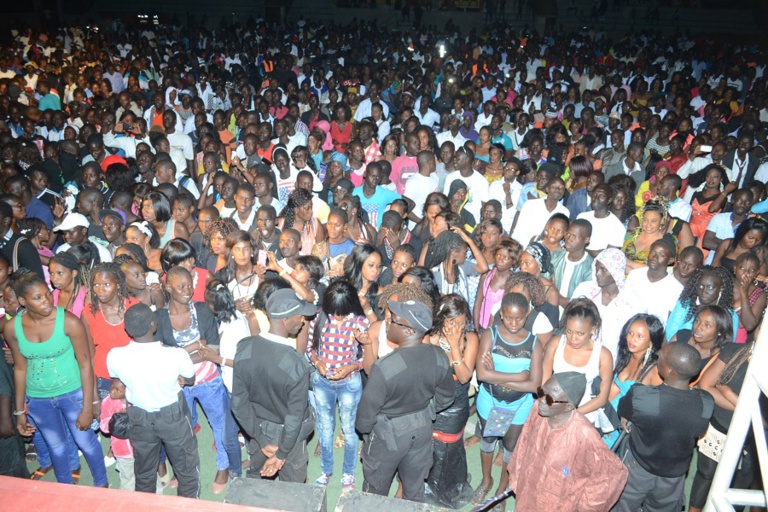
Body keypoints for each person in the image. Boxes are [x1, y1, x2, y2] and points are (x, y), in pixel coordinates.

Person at [4, 270, 108, 487]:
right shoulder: (12, 328)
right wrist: (20, 411)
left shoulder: (68, 321)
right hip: (39, 398)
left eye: (47, 293)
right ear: (23, 301)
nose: (47, 301)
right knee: (57, 447)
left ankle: (102, 485)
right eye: (38, 297)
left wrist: (88, 406)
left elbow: (85, 363)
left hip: (72, 392)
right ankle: (65, 490)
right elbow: (20, 369)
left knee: (85, 441)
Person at [356, 299, 455, 502]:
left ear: (409, 330)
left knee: (375, 489)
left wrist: (366, 434)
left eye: (394, 320)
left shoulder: (385, 367)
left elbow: (366, 414)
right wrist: (427, 409)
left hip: (387, 434)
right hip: (422, 428)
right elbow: (447, 396)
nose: (388, 322)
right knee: (414, 487)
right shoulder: (438, 356)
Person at [155, 266, 239, 493]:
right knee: (183, 427)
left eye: (190, 285)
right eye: (181, 286)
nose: (188, 291)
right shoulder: (160, 317)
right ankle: (184, 471)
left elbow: (212, 347)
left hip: (207, 379)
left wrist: (180, 356)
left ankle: (223, 466)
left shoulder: (202, 310)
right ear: (168, 287)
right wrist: (194, 346)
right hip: (178, 383)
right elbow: (160, 354)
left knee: (219, 422)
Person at [106, 303, 200, 497]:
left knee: (144, 471)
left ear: (127, 329)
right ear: (153, 324)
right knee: (187, 470)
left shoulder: (115, 356)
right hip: (172, 416)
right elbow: (190, 378)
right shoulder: (175, 355)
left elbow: (116, 376)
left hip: (139, 417)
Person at [613, 342, 714, 512]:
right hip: (674, 474)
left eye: (660, 357)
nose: (657, 358)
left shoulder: (642, 396)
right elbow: (699, 430)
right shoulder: (706, 402)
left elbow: (623, 409)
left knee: (623, 505)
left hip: (638, 467)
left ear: (668, 370)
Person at [506, 372, 628, 512]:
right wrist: (517, 476)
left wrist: (584, 506)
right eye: (541, 392)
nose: (541, 400)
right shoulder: (538, 410)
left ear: (569, 406)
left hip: (555, 503)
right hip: (528, 489)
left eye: (550, 399)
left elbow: (613, 473)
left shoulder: (584, 435)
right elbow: (525, 440)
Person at [231, 288, 316, 482]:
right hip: (288, 437)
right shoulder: (296, 364)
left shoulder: (244, 347)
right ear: (285, 320)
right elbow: (294, 419)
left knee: (255, 478)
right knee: (293, 487)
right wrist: (282, 454)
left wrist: (259, 438)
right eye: (300, 316)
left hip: (256, 428)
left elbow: (238, 404)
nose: (303, 321)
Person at [474, 292, 543, 506]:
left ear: (527, 315)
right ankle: (486, 480)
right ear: (501, 314)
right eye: (509, 317)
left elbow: (534, 385)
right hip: (492, 402)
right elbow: (483, 375)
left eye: (520, 318)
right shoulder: (490, 335)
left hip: (519, 405)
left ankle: (501, 490)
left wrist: (497, 377)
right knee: (488, 441)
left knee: (510, 447)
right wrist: (519, 376)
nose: (514, 323)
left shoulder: (534, 343)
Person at [307, 280, 368, 491]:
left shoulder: (360, 322)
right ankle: (326, 470)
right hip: (322, 382)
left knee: (350, 431)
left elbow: (369, 358)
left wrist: (352, 366)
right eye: (334, 311)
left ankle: (348, 474)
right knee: (325, 430)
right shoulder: (320, 317)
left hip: (349, 383)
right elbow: (310, 348)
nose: (338, 317)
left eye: (341, 312)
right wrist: (317, 362)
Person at [422, 294, 478, 509]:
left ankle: (449, 487)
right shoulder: (430, 337)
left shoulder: (469, 339)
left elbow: (464, 377)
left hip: (456, 403)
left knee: (449, 446)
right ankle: (426, 486)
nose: (457, 327)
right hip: (432, 399)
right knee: (428, 444)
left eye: (462, 322)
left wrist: (454, 347)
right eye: (452, 322)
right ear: (441, 319)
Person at [689, 340, 756, 512]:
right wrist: (745, 407)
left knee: (738, 490)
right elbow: (705, 385)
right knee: (705, 475)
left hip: (752, 439)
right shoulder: (736, 351)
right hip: (719, 426)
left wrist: (728, 394)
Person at [543, 298, 614, 432]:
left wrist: (572, 414)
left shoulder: (603, 355)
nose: (573, 338)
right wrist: (552, 408)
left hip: (584, 416)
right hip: (552, 410)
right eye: (569, 331)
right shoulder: (556, 343)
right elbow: (545, 382)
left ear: (593, 328)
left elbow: (602, 398)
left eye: (580, 333)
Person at [604, 314, 664, 448]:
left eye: (639, 336)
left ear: (651, 341)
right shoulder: (626, 356)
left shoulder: (654, 370)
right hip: (605, 421)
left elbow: (660, 410)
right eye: (630, 333)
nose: (632, 339)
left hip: (621, 433)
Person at [666, 266, 738, 342]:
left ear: (721, 288)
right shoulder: (684, 305)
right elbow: (670, 335)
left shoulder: (730, 316)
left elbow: (727, 344)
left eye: (710, 287)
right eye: (701, 286)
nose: (704, 291)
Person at [623, 234, 683, 324]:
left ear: (670, 260)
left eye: (661, 255)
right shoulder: (635, 275)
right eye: (653, 252)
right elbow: (623, 302)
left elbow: (671, 321)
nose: (655, 258)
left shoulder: (676, 288)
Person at [474, 238, 523, 332]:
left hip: (499, 330)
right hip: (481, 326)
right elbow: (478, 303)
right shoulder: (487, 275)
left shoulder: (514, 282)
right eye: (498, 255)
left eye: (506, 258)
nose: (500, 260)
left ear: (513, 261)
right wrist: (476, 330)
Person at [552, 219, 594, 301]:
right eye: (568, 234)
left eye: (574, 236)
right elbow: (543, 284)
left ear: (586, 240)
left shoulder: (591, 267)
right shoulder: (556, 256)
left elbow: (580, 301)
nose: (569, 239)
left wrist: (554, 295)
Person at [578, 184, 627, 252]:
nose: (596, 198)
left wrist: (581, 250)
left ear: (609, 200)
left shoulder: (617, 227)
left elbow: (608, 256)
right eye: (594, 194)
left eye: (601, 196)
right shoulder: (582, 217)